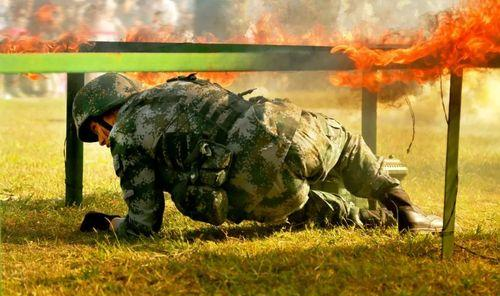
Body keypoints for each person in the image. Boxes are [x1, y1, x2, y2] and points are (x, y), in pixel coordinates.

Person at [73, 73, 442, 237]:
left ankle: (362, 219)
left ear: (108, 110)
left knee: (296, 200)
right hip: (297, 139)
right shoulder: (176, 90)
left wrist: (110, 224)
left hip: (261, 196)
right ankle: (403, 210)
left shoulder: (126, 135)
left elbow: (143, 227)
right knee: (345, 145)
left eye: (96, 131)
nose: (103, 141)